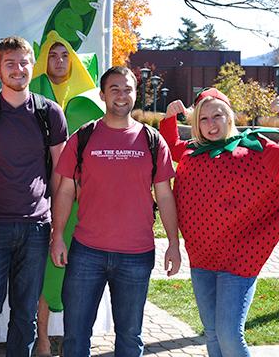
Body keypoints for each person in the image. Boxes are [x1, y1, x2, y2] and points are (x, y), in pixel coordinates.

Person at [159, 88, 279, 357]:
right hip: (202, 257)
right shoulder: (193, 151)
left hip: (240, 259)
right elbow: (170, 148)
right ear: (196, 124)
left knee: (229, 335)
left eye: (217, 116)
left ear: (229, 116)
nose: (211, 124)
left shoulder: (256, 147)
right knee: (213, 334)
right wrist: (169, 119)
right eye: (203, 119)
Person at [50, 66, 181, 357]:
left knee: (129, 337)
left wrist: (174, 243)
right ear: (102, 94)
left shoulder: (152, 140)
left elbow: (165, 195)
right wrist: (57, 235)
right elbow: (65, 191)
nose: (121, 96)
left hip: (136, 255)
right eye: (114, 89)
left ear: (136, 94)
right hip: (87, 252)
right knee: (75, 337)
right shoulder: (83, 138)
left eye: (127, 89)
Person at [0, 36, 68, 357]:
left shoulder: (50, 113)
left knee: (25, 315)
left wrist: (56, 229)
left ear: (32, 65)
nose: (18, 69)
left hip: (36, 229)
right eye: (10, 64)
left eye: (23, 63)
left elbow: (61, 177)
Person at [30, 30, 105, 356]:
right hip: (40, 195)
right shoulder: (29, 96)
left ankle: (75, 342)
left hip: (82, 199)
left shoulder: (92, 102)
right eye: (52, 55)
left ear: (73, 61)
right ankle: (42, 340)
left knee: (79, 269)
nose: (59, 62)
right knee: (43, 269)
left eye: (64, 56)